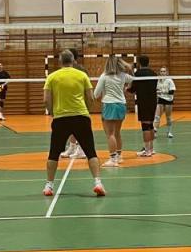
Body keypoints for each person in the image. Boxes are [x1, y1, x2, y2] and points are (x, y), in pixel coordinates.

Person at [43, 50, 105, 198]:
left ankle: (49, 185)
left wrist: (52, 113)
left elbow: (46, 99)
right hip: (81, 117)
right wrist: (86, 111)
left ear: (60, 61)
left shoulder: (52, 77)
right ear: (73, 61)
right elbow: (90, 97)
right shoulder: (82, 75)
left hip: (60, 119)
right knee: (90, 152)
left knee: (53, 154)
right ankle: (98, 183)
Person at [92, 54, 133, 167]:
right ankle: (119, 156)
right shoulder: (123, 76)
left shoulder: (104, 76)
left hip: (110, 105)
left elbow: (96, 94)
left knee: (110, 134)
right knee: (117, 132)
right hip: (121, 105)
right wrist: (126, 86)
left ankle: (113, 159)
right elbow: (133, 79)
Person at [131, 54, 159, 157]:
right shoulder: (154, 74)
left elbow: (132, 89)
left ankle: (147, 151)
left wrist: (127, 88)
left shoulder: (137, 74)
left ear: (139, 63)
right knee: (150, 125)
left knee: (145, 126)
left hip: (143, 102)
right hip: (153, 102)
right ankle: (151, 149)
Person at [155, 67, 176, 137]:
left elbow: (172, 91)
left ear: (166, 72)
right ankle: (155, 132)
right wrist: (157, 92)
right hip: (160, 99)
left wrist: (162, 92)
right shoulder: (158, 80)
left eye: (164, 71)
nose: (162, 73)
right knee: (157, 117)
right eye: (161, 71)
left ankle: (169, 132)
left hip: (168, 100)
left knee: (168, 117)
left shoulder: (169, 80)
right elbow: (156, 89)